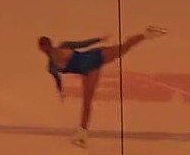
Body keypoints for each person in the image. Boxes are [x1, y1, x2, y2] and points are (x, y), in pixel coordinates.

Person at [39, 27, 168, 147]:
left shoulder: (62, 49)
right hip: (91, 66)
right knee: (87, 102)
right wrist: (60, 91)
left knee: (123, 49)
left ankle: (145, 34)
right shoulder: (52, 65)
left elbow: (82, 44)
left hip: (93, 60)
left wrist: (99, 39)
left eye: (47, 45)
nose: (47, 48)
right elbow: (57, 78)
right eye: (46, 46)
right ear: (43, 48)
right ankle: (82, 134)